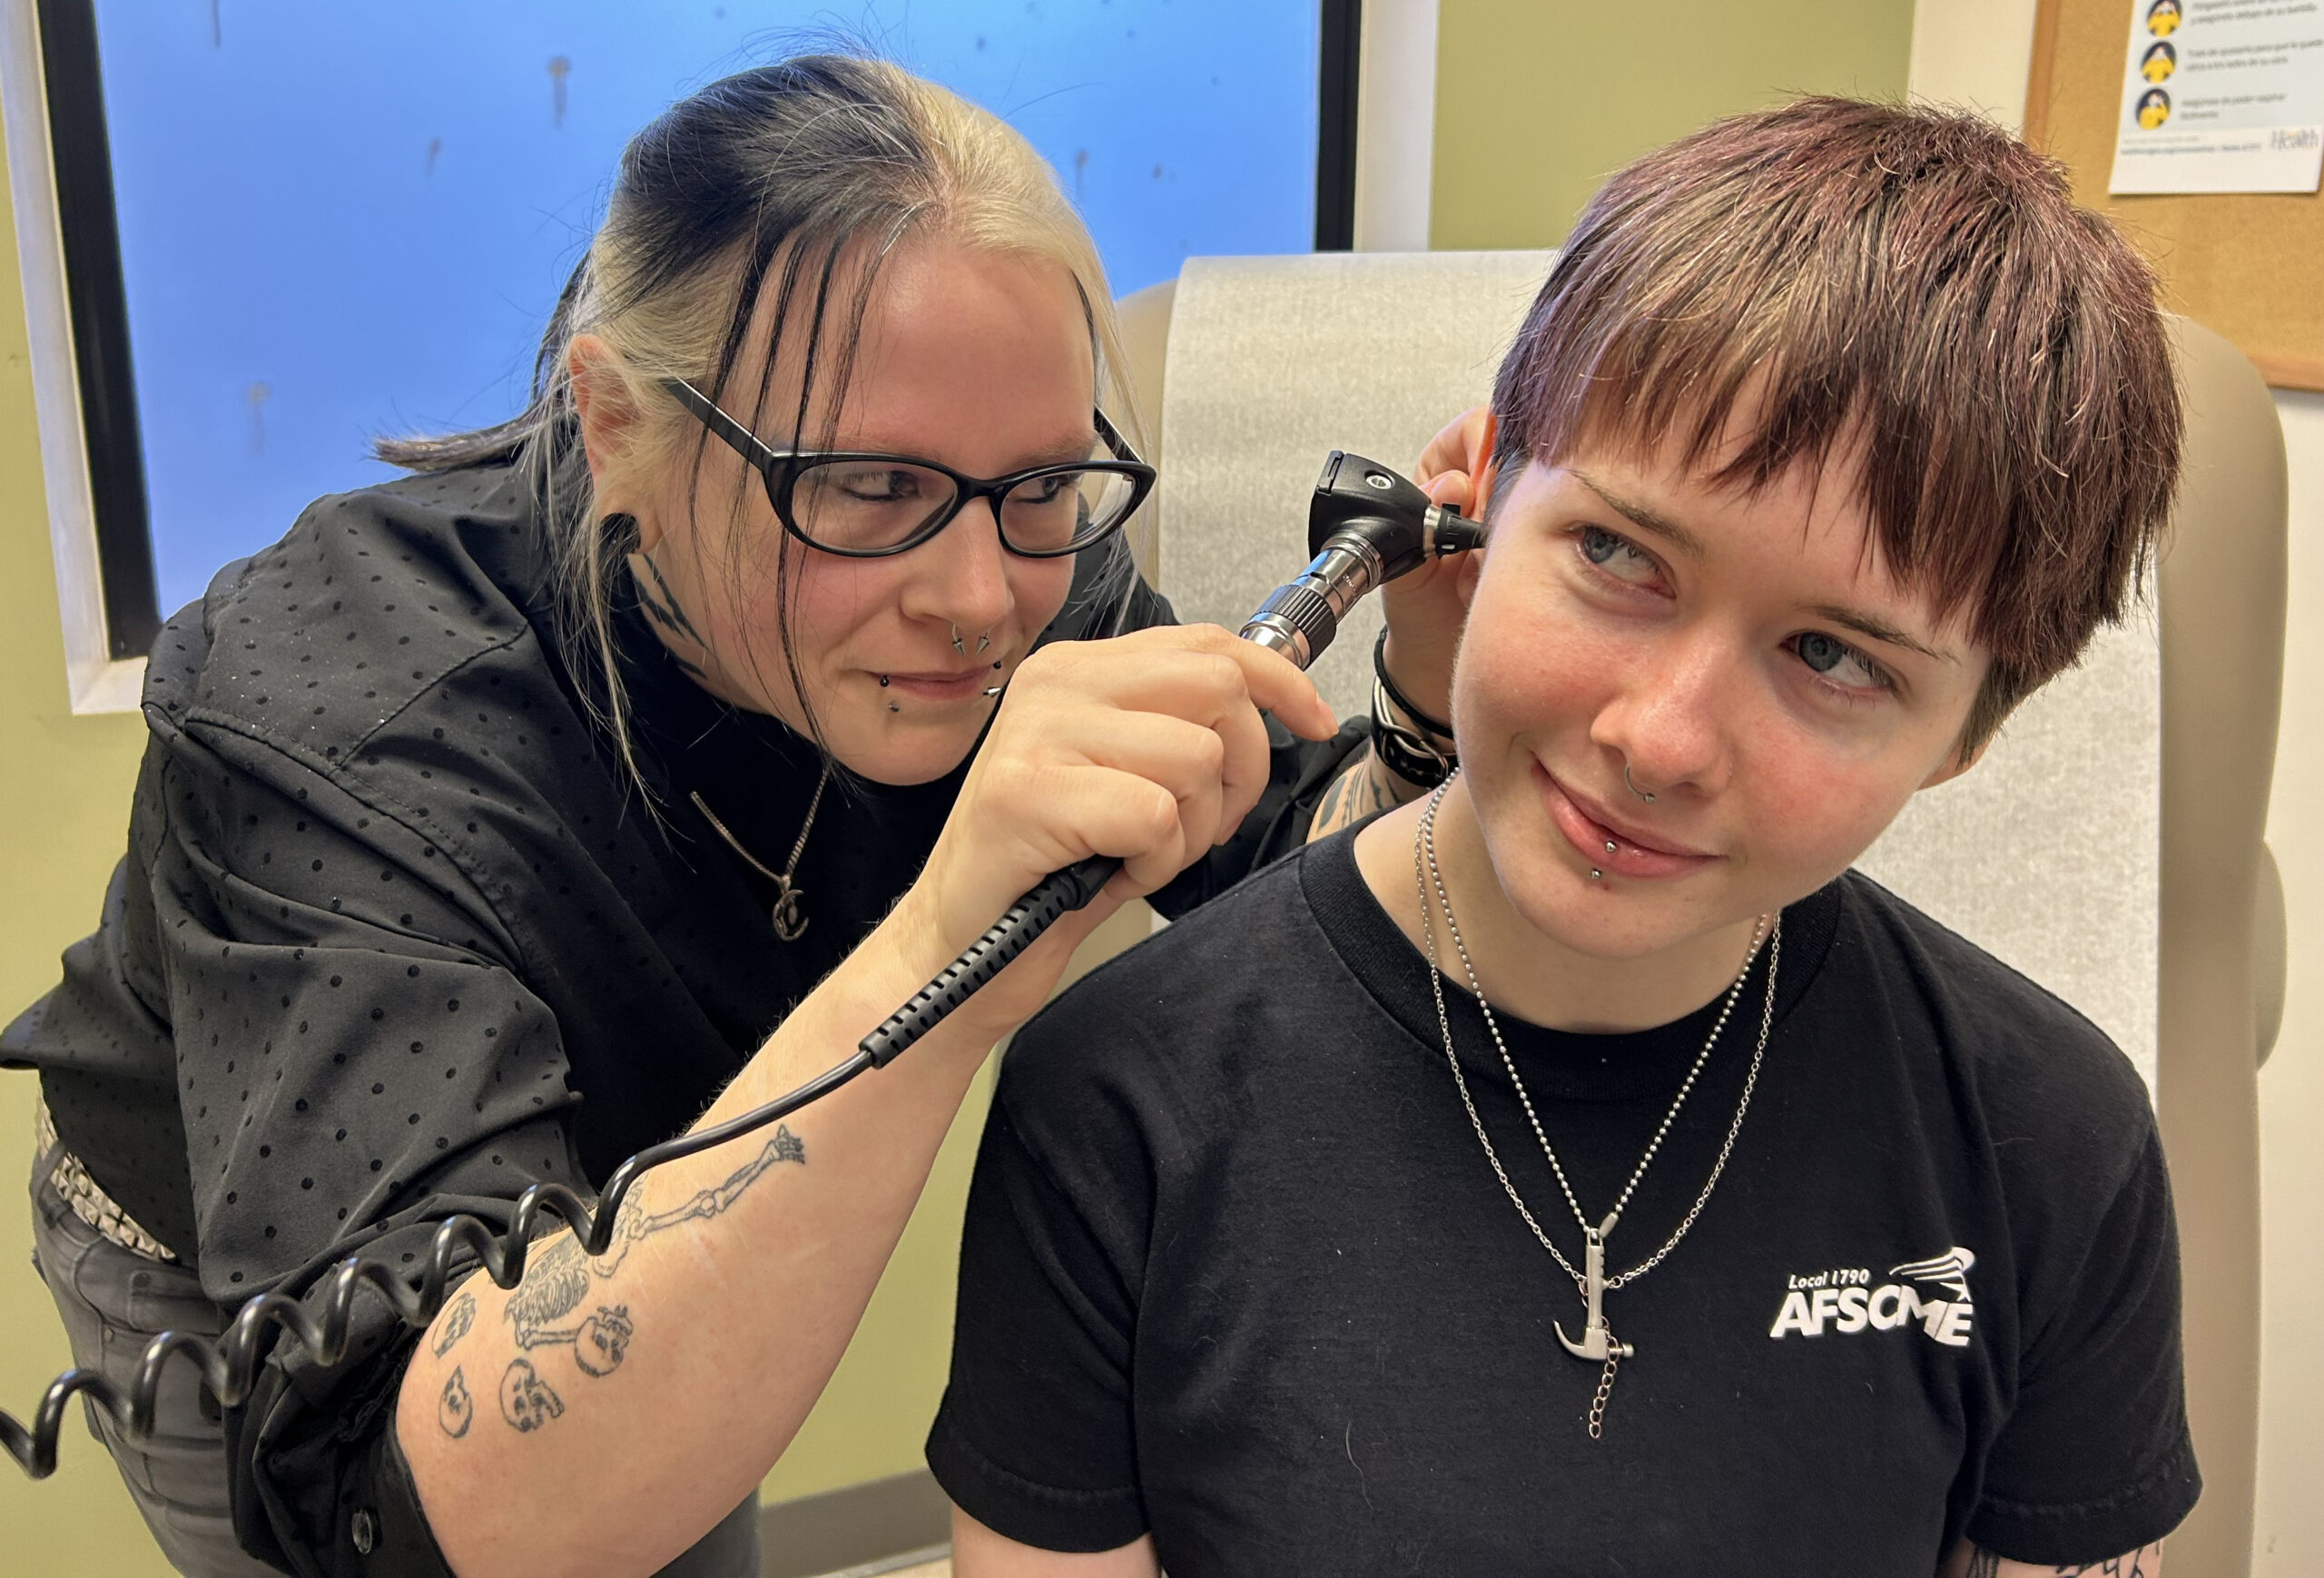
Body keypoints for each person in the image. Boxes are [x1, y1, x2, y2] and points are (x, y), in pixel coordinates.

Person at [2, 54, 1459, 1578]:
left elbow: (1302, 867)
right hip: (241, 1257)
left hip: (641, 1173)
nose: (980, 604)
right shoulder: (344, 703)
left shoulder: (1033, 561)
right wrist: (949, 956)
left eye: (1040, 484)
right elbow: (423, 1514)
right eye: (867, 482)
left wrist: (1422, 703)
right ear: (617, 418)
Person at [929, 99, 2195, 1576]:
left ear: (1969, 733)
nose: (1660, 739)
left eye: (1833, 657)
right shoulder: (1120, 1105)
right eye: (1615, 555)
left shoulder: (2048, 1142)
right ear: (1473, 509)